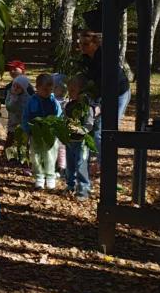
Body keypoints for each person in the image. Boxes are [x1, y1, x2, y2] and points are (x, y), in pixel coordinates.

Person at [78, 29, 131, 173]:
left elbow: (106, 84)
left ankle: (106, 165)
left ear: (95, 44)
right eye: (80, 43)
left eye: (86, 44)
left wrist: (99, 105)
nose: (82, 47)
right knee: (95, 129)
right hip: (101, 94)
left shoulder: (104, 59)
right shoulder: (85, 58)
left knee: (105, 130)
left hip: (118, 93)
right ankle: (98, 160)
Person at [22, 74, 63, 190]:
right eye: (45, 89)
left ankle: (50, 177)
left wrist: (56, 128)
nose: (47, 92)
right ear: (38, 87)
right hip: (35, 134)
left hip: (50, 135)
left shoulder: (54, 102)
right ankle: (39, 177)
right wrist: (27, 129)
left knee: (50, 155)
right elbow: (25, 116)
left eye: (50, 89)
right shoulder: (32, 101)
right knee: (36, 156)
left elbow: (59, 117)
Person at [64, 76, 96, 201]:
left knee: (81, 164)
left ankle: (83, 189)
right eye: (69, 90)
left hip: (81, 142)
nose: (70, 93)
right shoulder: (69, 106)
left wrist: (79, 129)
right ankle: (70, 185)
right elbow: (65, 119)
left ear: (82, 91)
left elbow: (89, 125)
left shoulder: (86, 107)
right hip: (70, 141)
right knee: (70, 165)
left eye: (73, 90)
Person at [4, 75, 31, 153]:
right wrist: (13, 101)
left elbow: (27, 108)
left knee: (23, 141)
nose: (15, 88)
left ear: (23, 89)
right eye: (14, 86)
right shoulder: (10, 94)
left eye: (18, 87)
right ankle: (7, 154)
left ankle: (22, 154)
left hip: (23, 123)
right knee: (10, 138)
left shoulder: (27, 97)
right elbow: (9, 107)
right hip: (13, 122)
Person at [52, 73, 68, 179]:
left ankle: (62, 167)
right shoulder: (51, 99)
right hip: (53, 128)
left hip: (61, 130)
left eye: (55, 87)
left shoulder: (66, 102)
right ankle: (53, 166)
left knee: (62, 149)